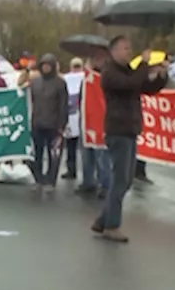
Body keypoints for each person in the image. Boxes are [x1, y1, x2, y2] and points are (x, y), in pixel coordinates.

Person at [92, 38, 167, 242]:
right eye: (126, 48)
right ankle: (112, 225)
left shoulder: (126, 71)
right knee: (120, 179)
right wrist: (143, 63)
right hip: (118, 129)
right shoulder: (110, 73)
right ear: (114, 51)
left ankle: (104, 219)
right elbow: (131, 84)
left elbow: (146, 87)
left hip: (130, 129)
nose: (129, 52)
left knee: (125, 180)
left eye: (130, 48)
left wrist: (160, 75)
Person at [28, 53, 69, 191]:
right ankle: (38, 179)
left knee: (54, 156)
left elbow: (63, 105)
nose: (46, 68)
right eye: (43, 65)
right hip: (37, 123)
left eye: (48, 65)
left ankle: (51, 181)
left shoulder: (60, 83)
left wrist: (62, 125)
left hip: (54, 125)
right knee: (36, 154)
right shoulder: (34, 82)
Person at [76, 57, 111, 200]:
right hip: (86, 119)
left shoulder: (106, 77)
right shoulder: (86, 79)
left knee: (102, 155)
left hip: (100, 120)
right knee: (86, 153)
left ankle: (106, 185)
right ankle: (88, 181)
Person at [62, 57, 86, 180]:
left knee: (85, 149)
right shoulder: (66, 79)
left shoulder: (86, 78)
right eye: (74, 66)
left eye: (78, 66)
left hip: (83, 118)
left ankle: (88, 175)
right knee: (70, 146)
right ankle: (71, 170)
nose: (76, 69)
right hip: (70, 117)